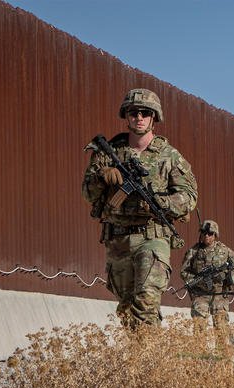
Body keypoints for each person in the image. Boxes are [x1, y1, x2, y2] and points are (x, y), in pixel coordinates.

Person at [82, 88, 198, 327]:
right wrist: (102, 177)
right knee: (127, 311)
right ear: (126, 116)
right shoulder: (108, 152)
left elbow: (189, 197)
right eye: (133, 112)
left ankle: (149, 350)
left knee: (145, 303)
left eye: (145, 113)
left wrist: (161, 203)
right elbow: (87, 193)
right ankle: (147, 350)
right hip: (118, 240)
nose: (139, 117)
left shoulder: (169, 156)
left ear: (154, 117)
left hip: (152, 238)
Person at [180, 220, 234, 348]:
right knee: (199, 327)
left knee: (221, 327)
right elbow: (184, 271)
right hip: (200, 294)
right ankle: (200, 356)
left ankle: (222, 357)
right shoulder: (193, 251)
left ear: (215, 235)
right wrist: (196, 281)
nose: (207, 236)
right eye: (204, 233)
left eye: (210, 233)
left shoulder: (225, 251)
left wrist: (228, 277)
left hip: (219, 294)